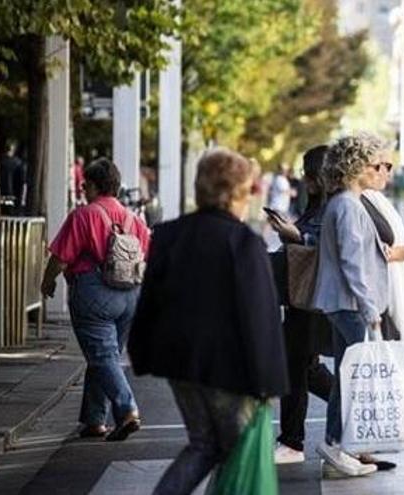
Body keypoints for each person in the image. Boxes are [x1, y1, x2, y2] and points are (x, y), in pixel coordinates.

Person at [128, 149, 288, 494]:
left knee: (204, 444)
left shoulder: (169, 234)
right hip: (229, 372)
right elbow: (259, 317)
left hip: (180, 365)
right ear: (239, 192)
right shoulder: (243, 242)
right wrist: (268, 382)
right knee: (237, 450)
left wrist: (139, 352)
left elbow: (150, 299)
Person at [40, 158, 150, 441]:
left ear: (96, 185)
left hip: (94, 294)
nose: (82, 187)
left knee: (102, 356)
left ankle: (127, 411)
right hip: (130, 297)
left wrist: (47, 280)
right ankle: (94, 420)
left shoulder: (84, 215)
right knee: (105, 357)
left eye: (85, 184)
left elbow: (61, 258)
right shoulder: (134, 219)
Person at [312, 133, 390, 478]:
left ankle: (339, 444)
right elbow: (352, 261)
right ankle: (335, 443)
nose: (380, 171)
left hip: (345, 303)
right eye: (376, 165)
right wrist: (369, 306)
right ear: (356, 167)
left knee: (348, 374)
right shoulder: (347, 205)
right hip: (349, 304)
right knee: (354, 378)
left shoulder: (345, 203)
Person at [267, 145, 335, 464]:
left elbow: (325, 246)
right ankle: (355, 408)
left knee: (294, 363)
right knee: (304, 368)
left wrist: (296, 235)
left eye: (308, 175)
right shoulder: (318, 205)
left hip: (313, 299)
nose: (304, 181)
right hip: (303, 296)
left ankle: (292, 441)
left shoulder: (334, 206)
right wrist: (290, 234)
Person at [362, 159, 404, 353]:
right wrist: (398, 253)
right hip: (373, 299)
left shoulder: (377, 200)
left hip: (384, 295)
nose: (387, 173)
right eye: (383, 166)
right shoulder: (358, 201)